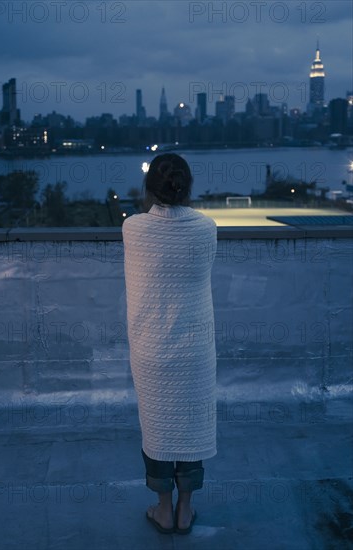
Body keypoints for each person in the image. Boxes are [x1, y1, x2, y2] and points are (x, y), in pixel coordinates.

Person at [122, 153, 217, 535]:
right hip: (194, 350)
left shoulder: (133, 228)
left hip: (151, 350)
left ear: (150, 188)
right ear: (187, 185)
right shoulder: (206, 228)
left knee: (157, 428)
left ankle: (163, 509)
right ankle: (186, 509)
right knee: (193, 427)